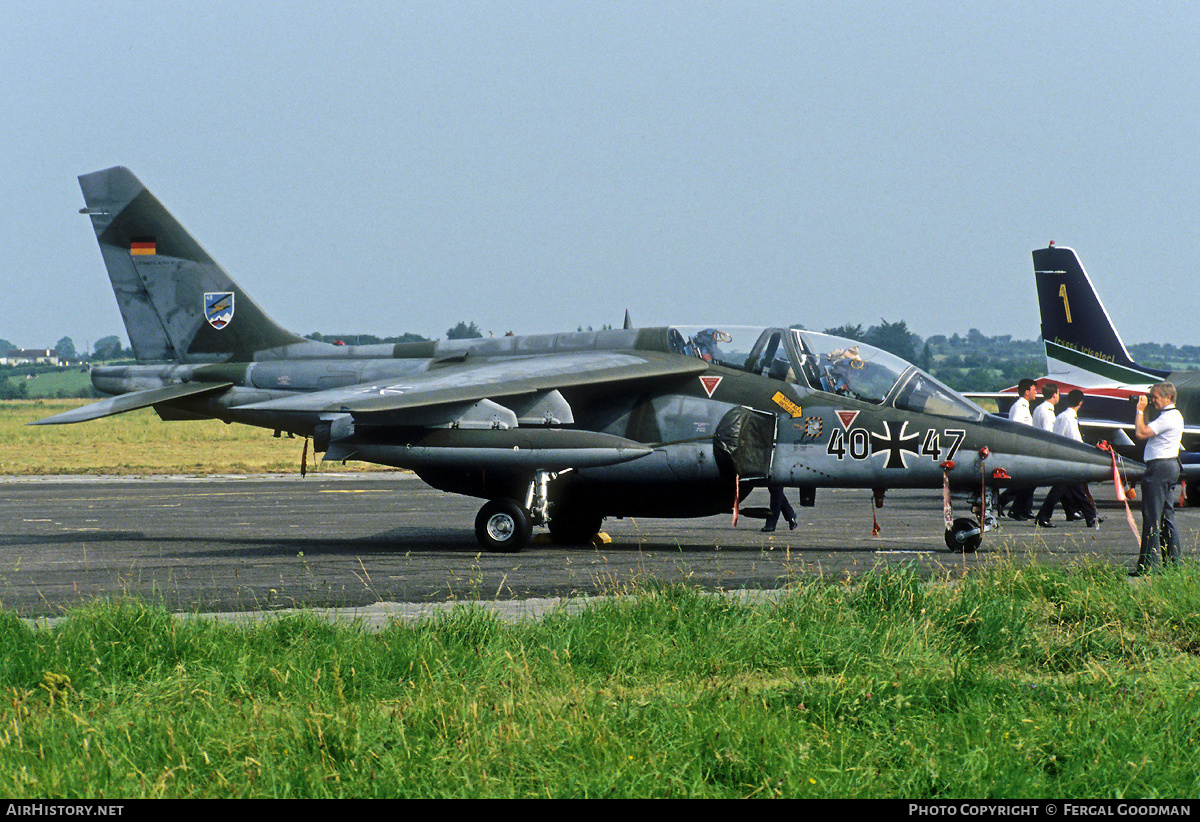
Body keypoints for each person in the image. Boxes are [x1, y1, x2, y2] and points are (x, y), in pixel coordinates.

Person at [1133, 382, 1184, 575]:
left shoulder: (1168, 417)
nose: (1152, 400)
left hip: (1159, 468)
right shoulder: (1172, 415)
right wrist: (1144, 411)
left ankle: (1148, 565)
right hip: (1170, 465)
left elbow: (1140, 433)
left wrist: (1139, 410)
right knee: (1166, 516)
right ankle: (1173, 563)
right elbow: (1146, 430)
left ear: (1168, 397)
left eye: (1155, 397)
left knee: (1152, 516)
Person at [1034, 390, 1098, 528]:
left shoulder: (1062, 416)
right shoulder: (1069, 418)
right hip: (1069, 459)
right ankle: (1043, 516)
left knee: (1075, 489)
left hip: (1063, 456)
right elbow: (1074, 440)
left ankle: (1090, 516)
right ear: (1080, 403)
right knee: (1060, 489)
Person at [999, 379, 1038, 520]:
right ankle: (1003, 502)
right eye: (1034, 390)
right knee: (1027, 481)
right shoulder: (1019, 407)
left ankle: (1022, 508)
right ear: (1027, 392)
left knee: (1030, 481)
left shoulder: (1025, 406)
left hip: (1027, 449)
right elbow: (1014, 430)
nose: (1036, 393)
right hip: (1021, 450)